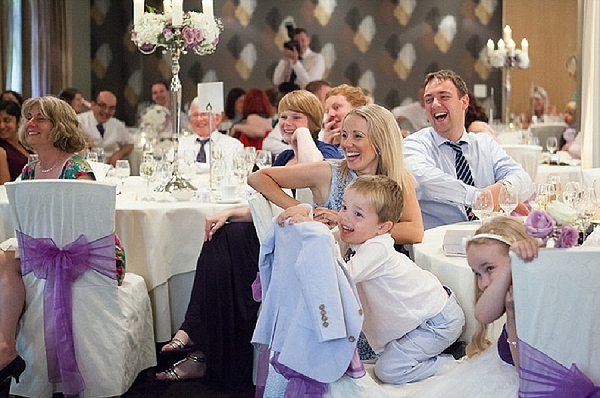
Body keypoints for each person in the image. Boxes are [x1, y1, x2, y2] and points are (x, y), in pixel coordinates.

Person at [155, 90, 331, 388]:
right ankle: (198, 341)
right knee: (221, 233)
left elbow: (313, 205)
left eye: (297, 118)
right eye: (284, 116)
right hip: (275, 233)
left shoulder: (325, 155)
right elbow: (271, 204)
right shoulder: (285, 156)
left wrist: (304, 136)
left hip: (303, 245)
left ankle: (195, 337)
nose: (288, 123)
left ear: (313, 123)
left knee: (229, 243)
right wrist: (231, 213)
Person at [277, 175, 464, 384]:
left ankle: (454, 363)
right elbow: (326, 239)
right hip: (421, 318)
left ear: (382, 228)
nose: (345, 217)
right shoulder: (354, 232)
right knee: (388, 362)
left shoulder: (378, 248)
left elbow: (341, 278)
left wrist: (313, 231)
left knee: (389, 371)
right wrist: (308, 221)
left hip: (436, 321)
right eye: (344, 207)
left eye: (358, 214)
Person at [0, 96, 126, 386]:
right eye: (28, 117)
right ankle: (5, 347)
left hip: (88, 255)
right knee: (3, 257)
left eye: (40, 118)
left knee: (5, 258)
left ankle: (5, 350)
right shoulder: (29, 171)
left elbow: (90, 230)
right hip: (47, 251)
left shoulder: (77, 169)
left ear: (59, 127)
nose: (30, 123)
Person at [249, 103, 424, 245]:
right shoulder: (329, 172)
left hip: (378, 270)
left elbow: (415, 232)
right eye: (345, 135)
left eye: (357, 136)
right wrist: (305, 210)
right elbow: (257, 177)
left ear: (380, 142)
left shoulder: (399, 178)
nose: (347, 144)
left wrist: (346, 224)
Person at [403, 70, 534, 230]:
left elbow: (524, 179)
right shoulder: (414, 144)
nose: (435, 104)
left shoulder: (485, 144)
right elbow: (424, 182)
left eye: (444, 96)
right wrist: (479, 198)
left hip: (487, 239)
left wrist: (504, 191)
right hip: (437, 243)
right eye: (429, 99)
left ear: (464, 102)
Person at [465, 216, 539, 370]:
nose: (483, 283)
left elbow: (525, 370)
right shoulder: (508, 292)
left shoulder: (534, 297)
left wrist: (511, 317)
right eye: (477, 274)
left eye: (489, 269)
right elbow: (484, 314)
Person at [178, 96, 243, 166]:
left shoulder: (232, 146)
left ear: (218, 118)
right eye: (195, 115)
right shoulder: (180, 145)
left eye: (203, 114)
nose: (199, 119)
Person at [77, 90, 134, 166]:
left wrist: (119, 154)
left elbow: (130, 144)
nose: (106, 111)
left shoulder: (117, 124)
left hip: (110, 167)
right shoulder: (79, 121)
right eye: (103, 106)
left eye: (111, 108)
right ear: (93, 105)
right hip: (85, 167)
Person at [321, 84, 369, 156]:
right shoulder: (329, 145)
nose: (330, 114)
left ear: (356, 107)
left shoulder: (371, 142)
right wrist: (326, 144)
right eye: (327, 111)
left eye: (336, 107)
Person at [0, 101, 31, 183]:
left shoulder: (25, 143)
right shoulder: (1, 150)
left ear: (18, 121)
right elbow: (4, 185)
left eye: (7, 120)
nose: (1, 126)